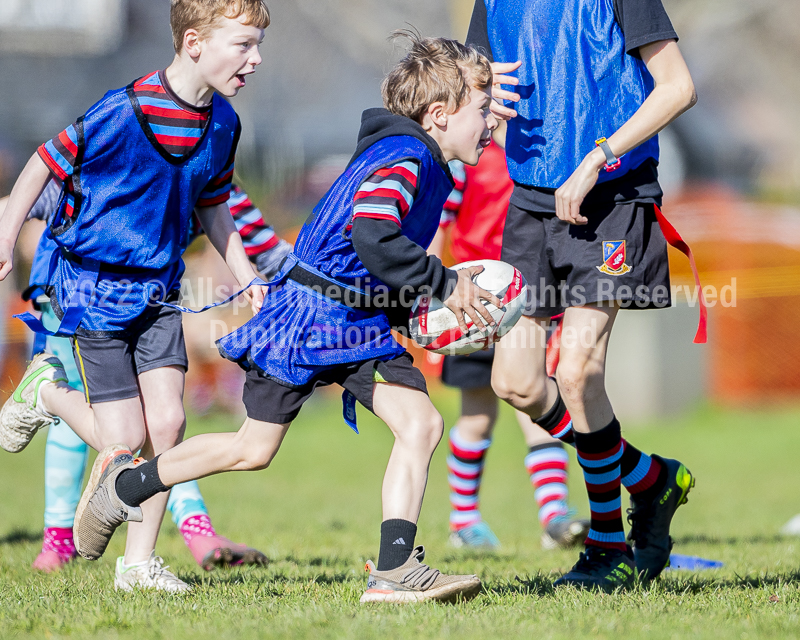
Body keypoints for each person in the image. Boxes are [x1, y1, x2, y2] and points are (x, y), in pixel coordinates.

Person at [69, 32, 501, 605]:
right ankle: (126, 485)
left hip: (357, 322)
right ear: (440, 114)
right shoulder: (406, 157)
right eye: (483, 108)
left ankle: (393, 573)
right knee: (253, 449)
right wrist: (446, 283)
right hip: (312, 319)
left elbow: (369, 255)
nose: (492, 121)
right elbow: (374, 235)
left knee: (420, 423)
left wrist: (419, 314)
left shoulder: (422, 158)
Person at [0, 0, 271, 593]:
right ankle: (45, 390)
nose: (255, 60)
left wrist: (248, 278)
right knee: (122, 441)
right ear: (195, 43)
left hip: (159, 292)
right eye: (243, 45)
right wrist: (5, 233)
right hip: (93, 288)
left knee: (169, 422)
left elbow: (216, 207)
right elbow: (42, 164)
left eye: (257, 46)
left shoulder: (224, 123)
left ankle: (138, 563)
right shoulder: (124, 110)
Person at [466, 0, 700, 591]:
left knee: (576, 371)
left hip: (613, 199)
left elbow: (678, 87)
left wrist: (599, 155)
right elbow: (476, 81)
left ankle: (606, 546)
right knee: (514, 382)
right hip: (530, 201)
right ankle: (648, 479)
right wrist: (482, 97)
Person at [3, 181, 288, 573]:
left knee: (163, 420)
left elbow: (275, 255)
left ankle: (185, 532)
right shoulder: (126, 154)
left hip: (147, 301)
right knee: (101, 421)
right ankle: (60, 538)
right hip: (76, 290)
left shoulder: (219, 187)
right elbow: (37, 191)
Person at [430, 123, 589, 551]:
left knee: (534, 403)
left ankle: (555, 517)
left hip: (531, 304)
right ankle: (464, 522)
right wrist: (430, 293)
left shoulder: (545, 156)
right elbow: (439, 225)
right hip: (471, 305)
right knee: (477, 415)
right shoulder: (470, 160)